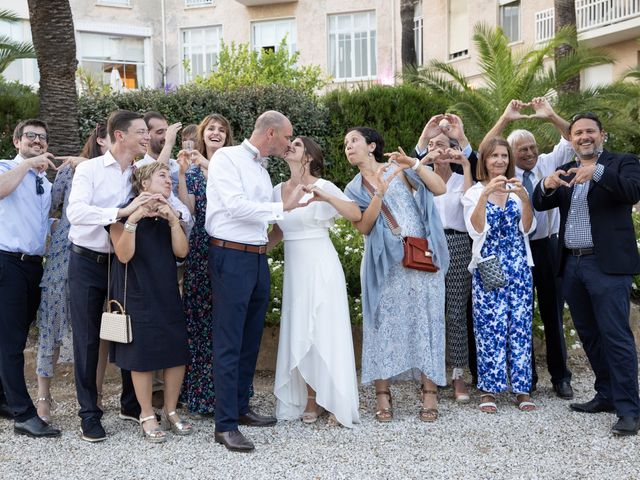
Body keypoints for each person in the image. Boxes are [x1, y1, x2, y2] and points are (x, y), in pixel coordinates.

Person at [67, 109, 191, 442]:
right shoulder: (91, 170)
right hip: (90, 261)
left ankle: (131, 405)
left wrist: (171, 213)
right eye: (142, 132)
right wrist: (125, 212)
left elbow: (174, 202)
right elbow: (75, 213)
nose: (148, 137)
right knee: (90, 340)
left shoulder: (141, 171)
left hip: (131, 267)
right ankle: (89, 413)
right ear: (121, 135)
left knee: (127, 333)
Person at [533, 112, 640, 436]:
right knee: (590, 335)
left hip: (606, 266)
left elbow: (632, 192)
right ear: (572, 139)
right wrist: (546, 185)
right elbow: (540, 203)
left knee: (616, 336)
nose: (583, 137)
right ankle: (606, 394)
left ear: (601, 134)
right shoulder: (566, 169)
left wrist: (599, 173)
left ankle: (629, 410)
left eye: (589, 131)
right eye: (577, 133)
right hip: (573, 266)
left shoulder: (623, 162)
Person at [206, 110, 307, 452]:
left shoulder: (263, 168)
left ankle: (240, 406)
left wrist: (280, 207)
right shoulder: (226, 158)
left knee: (250, 338)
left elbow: (263, 211)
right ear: (270, 134)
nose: (289, 143)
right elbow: (235, 207)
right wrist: (280, 209)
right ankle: (225, 424)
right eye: (287, 137)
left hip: (256, 257)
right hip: (230, 257)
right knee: (229, 340)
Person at [344, 127, 449, 423]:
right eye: (345, 144)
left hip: (420, 257)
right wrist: (378, 193)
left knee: (427, 319)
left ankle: (429, 392)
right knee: (381, 323)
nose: (348, 147)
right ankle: (382, 395)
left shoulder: (398, 167)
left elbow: (439, 188)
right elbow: (364, 226)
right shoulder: (353, 187)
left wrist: (414, 164)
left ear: (372, 145)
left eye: (354, 141)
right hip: (384, 263)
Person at [485, 97, 575, 398]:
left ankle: (561, 377)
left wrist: (550, 115)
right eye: (522, 149)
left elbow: (571, 137)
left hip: (548, 247)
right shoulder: (501, 177)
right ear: (510, 154)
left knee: (552, 313)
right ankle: (527, 380)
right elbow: (483, 151)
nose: (530, 153)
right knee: (518, 315)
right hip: (516, 253)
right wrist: (506, 118)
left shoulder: (549, 163)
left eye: (533, 147)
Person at [269, 136, 361, 428]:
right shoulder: (276, 191)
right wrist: (253, 252)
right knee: (301, 329)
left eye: (296, 145)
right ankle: (310, 399)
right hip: (295, 268)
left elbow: (355, 214)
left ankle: (335, 399)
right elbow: (277, 233)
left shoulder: (323, 186)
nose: (289, 147)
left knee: (325, 328)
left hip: (321, 263)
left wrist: (326, 198)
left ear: (308, 157)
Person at [108, 162, 192, 443]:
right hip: (137, 293)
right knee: (141, 356)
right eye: (162, 176)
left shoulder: (171, 214)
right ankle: (146, 413)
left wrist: (172, 221)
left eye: (170, 176)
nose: (169, 181)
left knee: (176, 352)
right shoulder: (121, 211)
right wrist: (134, 219)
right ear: (144, 184)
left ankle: (170, 410)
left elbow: (182, 253)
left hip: (167, 290)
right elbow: (123, 255)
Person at [35, 122, 112, 424]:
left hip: (101, 255)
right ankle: (43, 395)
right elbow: (54, 207)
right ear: (100, 139)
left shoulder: (122, 174)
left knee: (98, 327)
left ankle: (96, 392)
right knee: (51, 321)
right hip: (63, 255)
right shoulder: (71, 170)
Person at [461, 137, 536, 413]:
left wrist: (525, 199)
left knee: (519, 327)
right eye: (494, 156)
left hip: (518, 266)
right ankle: (489, 389)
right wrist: (483, 196)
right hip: (489, 266)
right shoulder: (472, 193)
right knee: (488, 328)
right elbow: (475, 230)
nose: (500, 161)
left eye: (504, 156)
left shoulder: (518, 189)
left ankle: (521, 389)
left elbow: (528, 228)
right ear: (485, 161)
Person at [0, 119, 60, 437]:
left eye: (43, 138)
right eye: (31, 137)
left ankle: (2, 398)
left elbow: (43, 226)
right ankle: (24, 414)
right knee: (9, 342)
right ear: (17, 141)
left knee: (16, 337)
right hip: (6, 262)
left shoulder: (46, 185)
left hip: (33, 266)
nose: (38, 141)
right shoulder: (6, 167)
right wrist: (26, 165)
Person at [177, 113, 234, 416]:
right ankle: (199, 395)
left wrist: (205, 164)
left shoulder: (233, 164)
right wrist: (184, 176)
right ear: (201, 133)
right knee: (198, 320)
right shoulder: (193, 169)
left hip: (228, 244)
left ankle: (228, 393)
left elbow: (232, 193)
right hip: (200, 248)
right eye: (211, 129)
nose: (216, 133)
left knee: (224, 321)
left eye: (221, 130)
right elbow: (188, 211)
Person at [428, 133, 474, 402]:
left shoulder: (460, 180)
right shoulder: (422, 180)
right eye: (432, 146)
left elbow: (470, 203)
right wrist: (424, 159)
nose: (437, 150)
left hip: (458, 243)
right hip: (429, 246)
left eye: (442, 146)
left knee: (456, 312)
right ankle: (432, 374)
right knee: (431, 311)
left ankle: (458, 375)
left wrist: (466, 165)